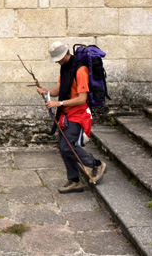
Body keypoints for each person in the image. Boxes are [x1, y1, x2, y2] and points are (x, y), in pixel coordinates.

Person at [36, 41, 106, 193]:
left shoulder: (80, 70)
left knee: (67, 146)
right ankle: (74, 180)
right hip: (67, 114)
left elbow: (82, 98)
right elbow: (58, 90)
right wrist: (46, 91)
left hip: (79, 114)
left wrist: (58, 103)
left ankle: (96, 164)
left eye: (58, 58)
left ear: (65, 55)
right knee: (63, 147)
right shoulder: (65, 68)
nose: (57, 62)